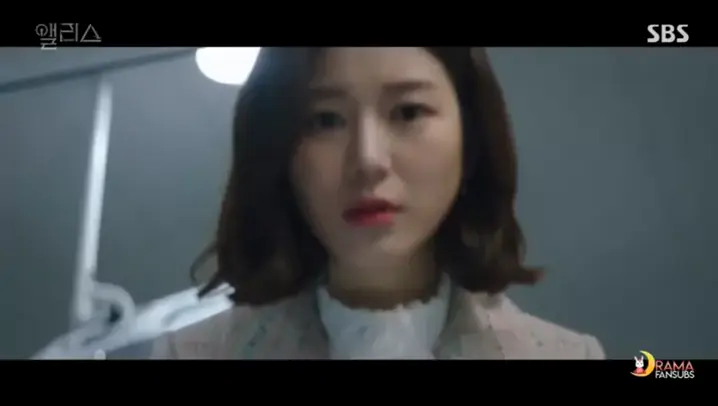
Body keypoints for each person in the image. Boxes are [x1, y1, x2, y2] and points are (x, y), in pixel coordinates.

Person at [151, 47, 605, 359]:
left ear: (470, 140)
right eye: (325, 120)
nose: (368, 160)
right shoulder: (189, 355)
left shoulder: (569, 356)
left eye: (408, 112)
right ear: (279, 150)